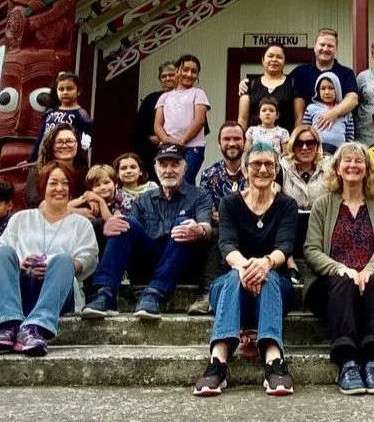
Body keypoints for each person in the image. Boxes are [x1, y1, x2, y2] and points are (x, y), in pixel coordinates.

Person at [193, 142, 298, 397]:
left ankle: (273, 359)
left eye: (269, 164)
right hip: (231, 287)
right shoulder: (230, 203)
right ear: (245, 169)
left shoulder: (286, 205)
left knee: (270, 277)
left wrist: (264, 264)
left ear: (276, 170)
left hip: (274, 289)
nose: (262, 169)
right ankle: (217, 362)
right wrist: (245, 267)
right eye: (256, 164)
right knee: (231, 277)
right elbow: (227, 244)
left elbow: (284, 246)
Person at [81, 143, 214, 320]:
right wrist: (111, 223)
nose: (169, 170)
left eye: (175, 165)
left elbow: (207, 226)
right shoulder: (143, 199)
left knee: (183, 224)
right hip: (147, 262)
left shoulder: (200, 195)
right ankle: (105, 293)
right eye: (163, 165)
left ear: (185, 167)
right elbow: (129, 229)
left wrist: (199, 230)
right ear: (155, 168)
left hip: (181, 265)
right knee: (123, 223)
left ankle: (154, 293)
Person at [304, 142, 374, 395]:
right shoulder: (323, 205)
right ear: (337, 168)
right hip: (331, 287)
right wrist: (340, 268)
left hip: (370, 284)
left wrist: (370, 268)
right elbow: (311, 249)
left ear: (367, 169)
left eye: (359, 161)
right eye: (347, 161)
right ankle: (347, 361)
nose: (353, 165)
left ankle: (372, 361)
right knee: (343, 281)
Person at [0, 161, 98, 356]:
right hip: (19, 288)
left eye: (65, 183)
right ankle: (8, 326)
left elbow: (88, 259)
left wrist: (56, 268)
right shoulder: (21, 218)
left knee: (63, 260)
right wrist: (20, 264)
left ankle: (35, 327)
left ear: (71, 189)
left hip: (57, 293)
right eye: (53, 183)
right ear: (43, 187)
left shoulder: (81, 224)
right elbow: (3, 250)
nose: (59, 188)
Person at [194, 121, 249, 315]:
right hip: (223, 233)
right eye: (227, 139)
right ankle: (206, 294)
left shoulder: (256, 170)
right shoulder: (210, 174)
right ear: (219, 144)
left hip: (253, 230)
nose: (232, 143)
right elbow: (205, 209)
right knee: (218, 234)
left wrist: (225, 215)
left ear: (245, 142)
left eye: (236, 139)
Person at [278, 125, 331, 284]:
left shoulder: (330, 165)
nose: (305, 147)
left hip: (321, 223)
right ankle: (289, 263)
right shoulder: (282, 166)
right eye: (299, 143)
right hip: (292, 225)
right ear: (292, 146)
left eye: (310, 143)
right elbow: (274, 192)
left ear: (317, 144)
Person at [155, 54, 210, 185]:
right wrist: (168, 141)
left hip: (192, 148)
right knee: (169, 182)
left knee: (185, 182)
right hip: (169, 147)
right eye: (185, 69)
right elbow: (157, 125)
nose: (189, 74)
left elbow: (200, 120)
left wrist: (182, 141)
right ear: (177, 71)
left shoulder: (198, 93)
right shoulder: (164, 97)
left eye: (194, 71)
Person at [27, 72, 94, 163]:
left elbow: (88, 140)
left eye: (69, 89)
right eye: (61, 89)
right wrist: (31, 159)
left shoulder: (82, 114)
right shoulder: (50, 113)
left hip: (67, 161)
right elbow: (41, 138)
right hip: (44, 160)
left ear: (78, 91)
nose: (65, 92)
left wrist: (73, 154)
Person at [133, 61, 178, 179]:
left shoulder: (190, 98)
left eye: (171, 75)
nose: (167, 78)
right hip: (152, 154)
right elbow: (139, 130)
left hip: (182, 151)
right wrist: (158, 140)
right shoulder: (151, 99)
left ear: (178, 75)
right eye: (164, 76)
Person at [25, 123, 88, 208]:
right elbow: (36, 203)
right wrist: (72, 211)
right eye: (59, 142)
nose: (65, 146)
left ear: (78, 144)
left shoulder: (84, 172)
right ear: (51, 145)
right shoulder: (36, 171)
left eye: (70, 141)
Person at [238, 44, 297, 131]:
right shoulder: (249, 85)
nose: (274, 60)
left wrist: (294, 142)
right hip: (255, 143)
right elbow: (243, 118)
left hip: (284, 142)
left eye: (279, 57)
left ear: (285, 62)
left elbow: (298, 117)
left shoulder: (293, 84)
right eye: (270, 56)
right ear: (263, 60)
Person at [302, 72, 355, 154]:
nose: (327, 92)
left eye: (331, 88)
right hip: (318, 151)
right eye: (323, 88)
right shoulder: (311, 108)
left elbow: (349, 135)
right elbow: (305, 129)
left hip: (339, 152)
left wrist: (347, 151)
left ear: (337, 89)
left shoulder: (346, 111)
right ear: (318, 91)